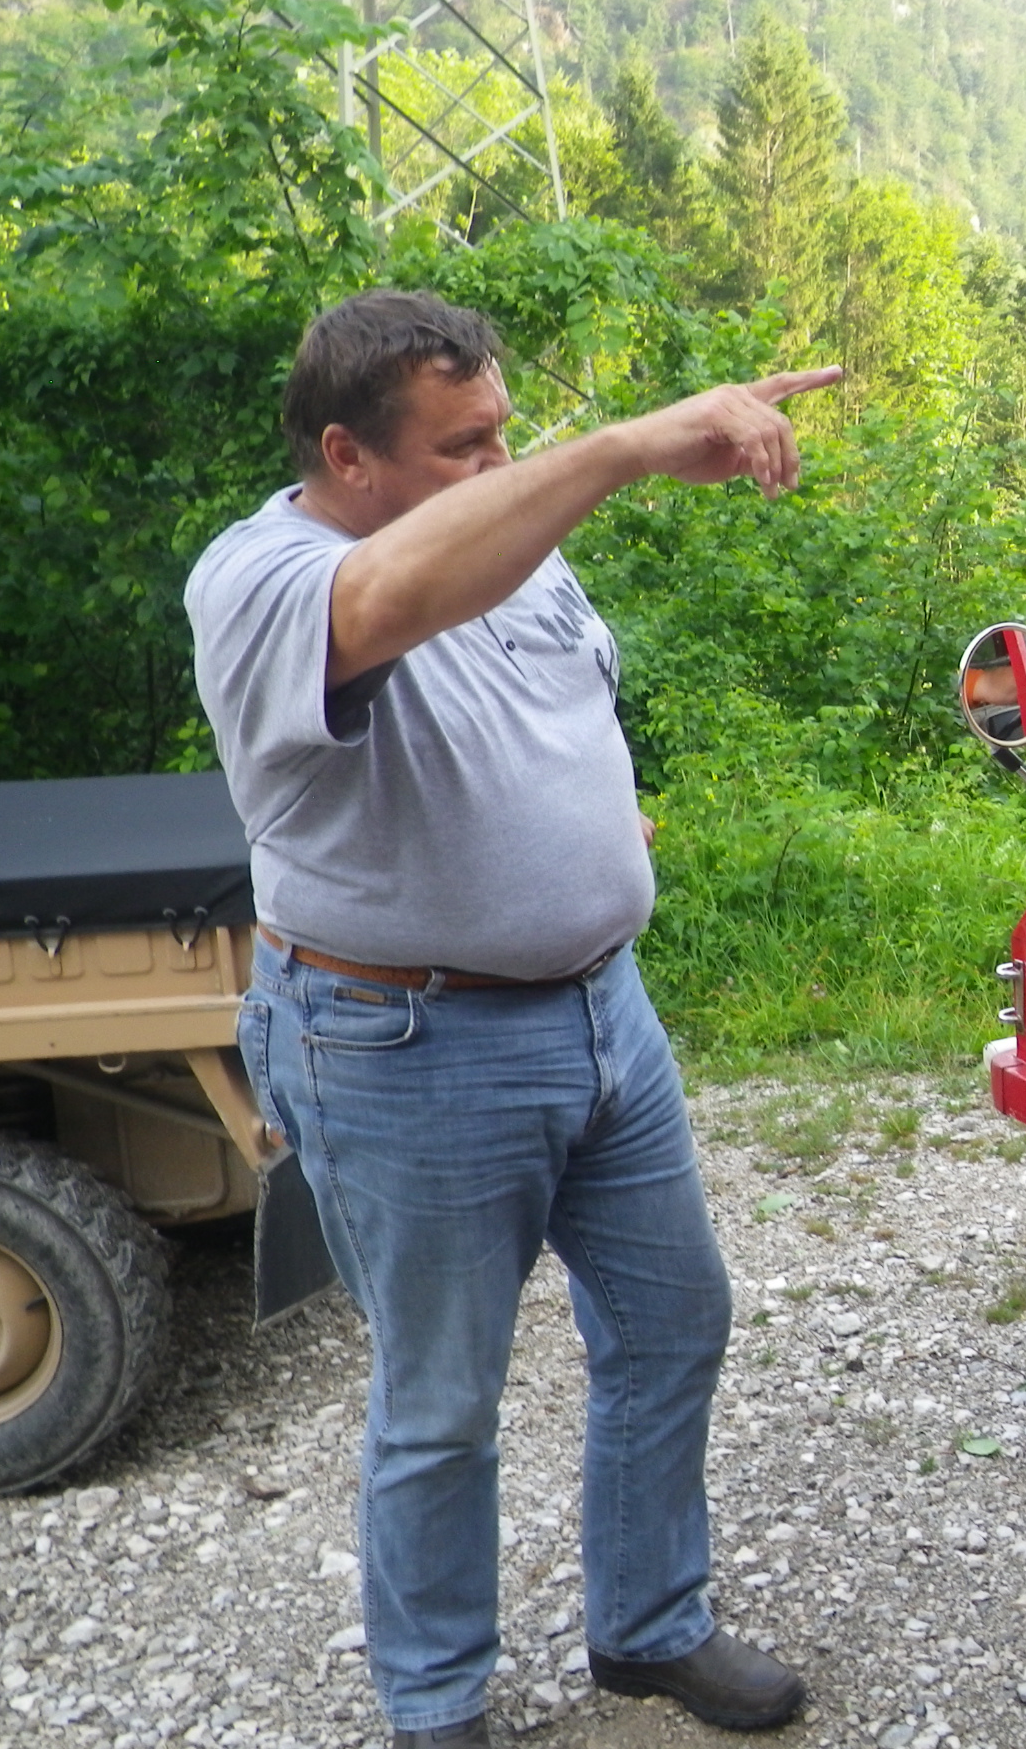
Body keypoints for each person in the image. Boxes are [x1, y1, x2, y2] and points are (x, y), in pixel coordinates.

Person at [186, 289, 841, 1749]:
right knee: (441, 1401)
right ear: (348, 455)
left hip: (604, 1014)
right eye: (463, 446)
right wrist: (621, 446)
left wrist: (585, 840)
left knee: (673, 1321)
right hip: (402, 1043)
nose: (499, 465)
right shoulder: (259, 577)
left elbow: (545, 695)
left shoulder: (511, 542)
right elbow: (393, 605)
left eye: (505, 436)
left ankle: (649, 1626)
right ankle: (436, 1704)